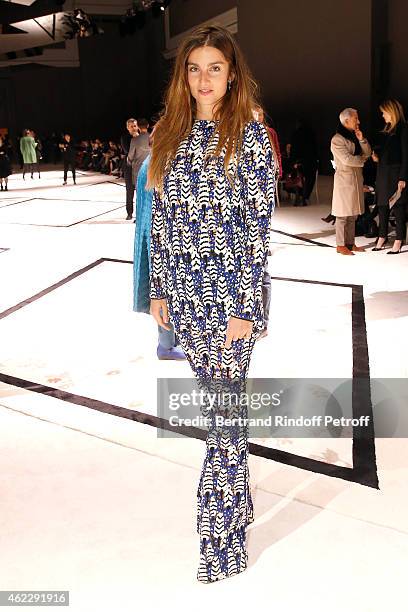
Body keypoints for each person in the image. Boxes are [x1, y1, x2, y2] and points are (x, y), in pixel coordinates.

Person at [147, 24, 276, 583]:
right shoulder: (168, 135)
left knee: (223, 421)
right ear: (184, 75)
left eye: (215, 68)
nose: (204, 78)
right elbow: (161, 226)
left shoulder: (249, 137)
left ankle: (219, 541)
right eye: (194, 68)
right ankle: (240, 506)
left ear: (232, 74)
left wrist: (245, 308)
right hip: (185, 296)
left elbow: (256, 231)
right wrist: (157, 289)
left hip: (230, 302)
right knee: (223, 414)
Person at [133, 154, 186, 360]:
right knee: (166, 289)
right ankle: (166, 346)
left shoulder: (149, 161)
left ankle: (170, 341)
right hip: (160, 237)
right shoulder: (159, 164)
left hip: (149, 233)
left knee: (164, 290)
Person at [331, 108, 371, 255]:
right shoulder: (337, 139)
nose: (358, 121)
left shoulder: (354, 136)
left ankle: (350, 243)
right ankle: (340, 245)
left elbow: (367, 153)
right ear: (346, 121)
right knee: (342, 214)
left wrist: (361, 139)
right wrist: (362, 160)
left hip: (356, 179)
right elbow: (346, 160)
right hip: (344, 180)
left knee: (352, 214)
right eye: (356, 118)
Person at [372, 99, 408, 255]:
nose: (382, 115)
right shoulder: (386, 130)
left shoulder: (403, 129)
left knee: (398, 206)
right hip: (383, 172)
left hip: (396, 172)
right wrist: (377, 158)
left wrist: (403, 177)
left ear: (391, 111)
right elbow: (385, 153)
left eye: (384, 112)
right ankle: (382, 236)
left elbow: (406, 155)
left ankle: (399, 239)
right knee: (382, 205)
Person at [288, 118, 318, 205]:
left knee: (297, 176)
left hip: (299, 160)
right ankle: (305, 196)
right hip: (310, 161)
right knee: (309, 178)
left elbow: (294, 149)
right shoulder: (311, 133)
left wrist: (293, 161)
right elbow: (315, 148)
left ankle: (299, 195)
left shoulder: (296, 134)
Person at [127, 118, 151, 219]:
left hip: (138, 171)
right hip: (151, 170)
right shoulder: (154, 138)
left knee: (140, 195)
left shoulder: (135, 140)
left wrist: (129, 162)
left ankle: (140, 217)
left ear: (139, 128)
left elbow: (130, 156)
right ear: (148, 126)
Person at [121, 118, 139, 220]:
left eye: (135, 126)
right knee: (130, 190)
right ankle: (129, 213)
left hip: (140, 166)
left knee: (140, 191)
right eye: (131, 126)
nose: (134, 128)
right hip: (129, 166)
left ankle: (139, 214)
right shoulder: (125, 137)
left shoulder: (142, 137)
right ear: (128, 127)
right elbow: (127, 150)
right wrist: (135, 139)